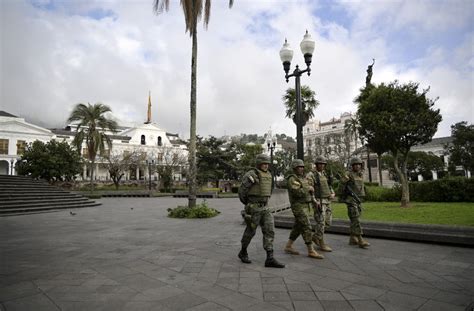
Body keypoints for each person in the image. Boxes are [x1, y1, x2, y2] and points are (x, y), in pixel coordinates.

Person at [238, 154, 285, 268]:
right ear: (258, 164)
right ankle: (243, 251)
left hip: (265, 207)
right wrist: (249, 204)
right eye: (263, 163)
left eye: (267, 164)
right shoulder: (251, 174)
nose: (266, 165)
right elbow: (241, 192)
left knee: (270, 230)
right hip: (254, 208)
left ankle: (270, 258)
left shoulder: (268, 175)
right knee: (250, 231)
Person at [284, 159, 324, 259]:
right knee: (306, 227)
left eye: (302, 167)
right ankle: (311, 250)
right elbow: (297, 193)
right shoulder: (292, 179)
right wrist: (308, 188)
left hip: (305, 205)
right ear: (294, 168)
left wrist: (314, 200)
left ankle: (288, 246)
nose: (301, 168)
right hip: (298, 206)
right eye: (299, 167)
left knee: (298, 227)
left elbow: (309, 192)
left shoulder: (303, 178)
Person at [340, 157, 370, 248]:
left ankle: (353, 238)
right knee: (356, 219)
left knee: (354, 219)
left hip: (358, 200)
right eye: (355, 164)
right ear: (352, 166)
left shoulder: (360, 174)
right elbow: (341, 187)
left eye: (359, 164)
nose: (357, 166)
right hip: (351, 200)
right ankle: (360, 239)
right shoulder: (348, 174)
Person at [308, 156, 334, 252]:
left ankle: (315, 236)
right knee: (321, 222)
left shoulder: (324, 174)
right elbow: (310, 189)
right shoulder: (311, 175)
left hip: (327, 201)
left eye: (323, 164)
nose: (322, 165)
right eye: (320, 164)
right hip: (319, 201)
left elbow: (329, 185)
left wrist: (332, 192)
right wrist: (314, 200)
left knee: (328, 221)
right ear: (316, 164)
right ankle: (321, 242)